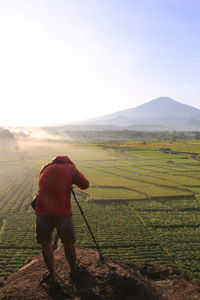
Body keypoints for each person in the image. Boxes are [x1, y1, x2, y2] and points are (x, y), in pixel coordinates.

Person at [34, 155, 89, 284]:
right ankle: (73, 270)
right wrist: (70, 182)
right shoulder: (70, 168)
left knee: (45, 243)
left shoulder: (45, 168)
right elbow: (85, 185)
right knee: (68, 242)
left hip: (42, 211)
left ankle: (52, 275)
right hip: (61, 212)